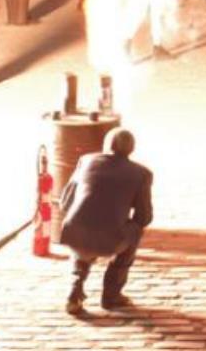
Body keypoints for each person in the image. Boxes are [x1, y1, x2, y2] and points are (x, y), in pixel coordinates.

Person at [59, 127, 153, 317]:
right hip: (110, 239)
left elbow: (65, 201)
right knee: (135, 231)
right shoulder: (141, 173)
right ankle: (112, 294)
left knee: (83, 230)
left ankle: (75, 289)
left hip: (72, 233)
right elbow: (144, 217)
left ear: (106, 145)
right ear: (131, 149)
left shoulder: (86, 161)